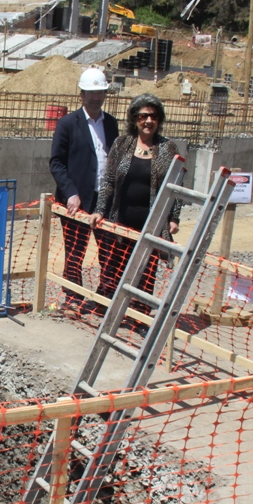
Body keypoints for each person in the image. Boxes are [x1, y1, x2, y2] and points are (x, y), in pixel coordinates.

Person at [90, 93, 180, 317]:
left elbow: (176, 186)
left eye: (153, 116)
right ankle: (111, 313)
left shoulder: (168, 149)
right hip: (121, 221)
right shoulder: (122, 144)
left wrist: (174, 219)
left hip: (151, 224)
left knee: (146, 272)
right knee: (114, 268)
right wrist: (100, 210)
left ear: (159, 120)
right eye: (143, 116)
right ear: (134, 119)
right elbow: (109, 181)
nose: (148, 121)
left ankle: (139, 316)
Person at [48, 68, 118, 315]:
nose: (96, 98)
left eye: (100, 93)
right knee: (75, 251)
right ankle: (72, 297)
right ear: (82, 94)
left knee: (109, 252)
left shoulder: (111, 124)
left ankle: (104, 297)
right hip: (77, 200)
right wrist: (71, 193)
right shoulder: (68, 124)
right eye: (91, 93)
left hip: (104, 199)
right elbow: (56, 162)